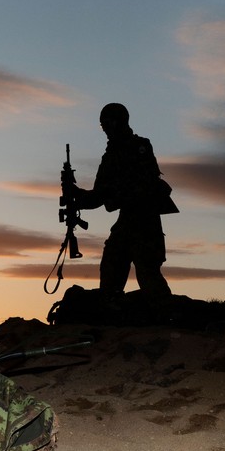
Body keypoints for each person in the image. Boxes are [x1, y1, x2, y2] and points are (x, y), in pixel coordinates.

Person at [63, 103, 177, 309]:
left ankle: (168, 320)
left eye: (107, 123)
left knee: (150, 279)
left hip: (144, 221)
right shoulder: (109, 156)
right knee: (110, 275)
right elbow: (98, 197)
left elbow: (142, 184)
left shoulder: (139, 147)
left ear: (119, 122)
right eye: (102, 125)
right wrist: (75, 194)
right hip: (126, 222)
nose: (105, 129)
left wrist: (107, 193)